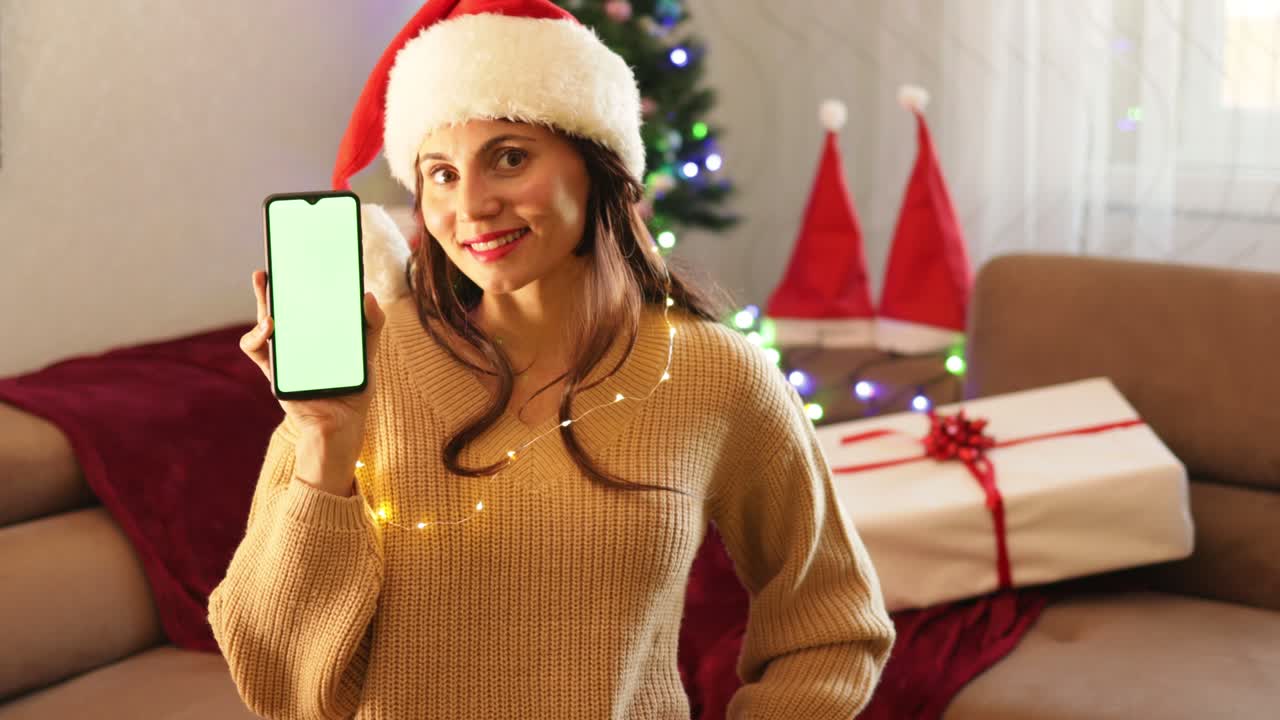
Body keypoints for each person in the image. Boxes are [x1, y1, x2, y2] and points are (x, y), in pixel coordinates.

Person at [207, 1, 895, 718]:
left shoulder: (712, 374)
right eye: (440, 174)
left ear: (595, 164)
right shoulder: (366, 368)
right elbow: (278, 686)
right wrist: (323, 443)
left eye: (509, 157)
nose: (471, 206)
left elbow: (831, 626)